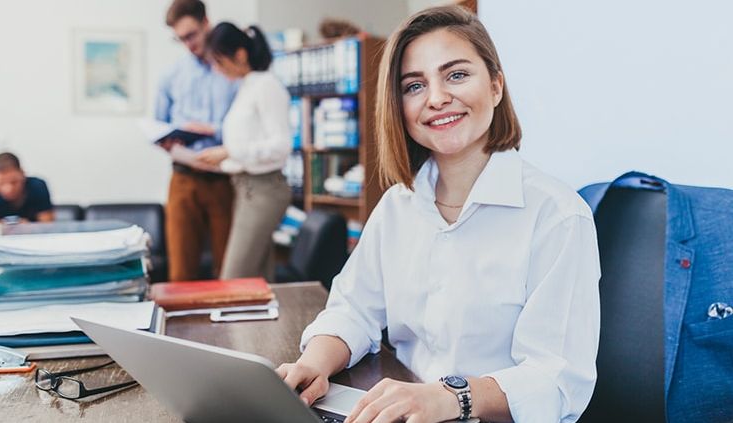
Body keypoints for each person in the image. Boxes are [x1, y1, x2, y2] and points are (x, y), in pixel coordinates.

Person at [275, 6, 601, 423]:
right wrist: (314, 365)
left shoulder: (556, 215)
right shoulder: (398, 205)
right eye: (414, 85)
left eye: (457, 75)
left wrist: (450, 397)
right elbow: (353, 308)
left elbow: (556, 380)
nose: (435, 98)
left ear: (496, 86)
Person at [196, 23, 292, 282]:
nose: (217, 69)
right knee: (259, 278)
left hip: (263, 190)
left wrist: (229, 152)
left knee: (233, 279)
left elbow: (282, 144)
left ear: (239, 54)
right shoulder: (247, 86)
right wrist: (223, 157)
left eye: (219, 60)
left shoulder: (266, 85)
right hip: (245, 188)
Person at [157, 0, 239, 281]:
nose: (188, 44)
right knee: (181, 271)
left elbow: (246, 127)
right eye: (180, 39)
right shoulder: (171, 76)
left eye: (191, 35)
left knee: (228, 270)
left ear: (207, 23)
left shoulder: (234, 71)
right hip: (183, 180)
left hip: (224, 181)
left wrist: (211, 129)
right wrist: (167, 138)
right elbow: (159, 126)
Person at [0, 152, 54, 229]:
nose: (8, 189)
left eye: (14, 182)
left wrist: (31, 227)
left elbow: (48, 226)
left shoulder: (38, 187)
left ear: (22, 174)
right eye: (0, 183)